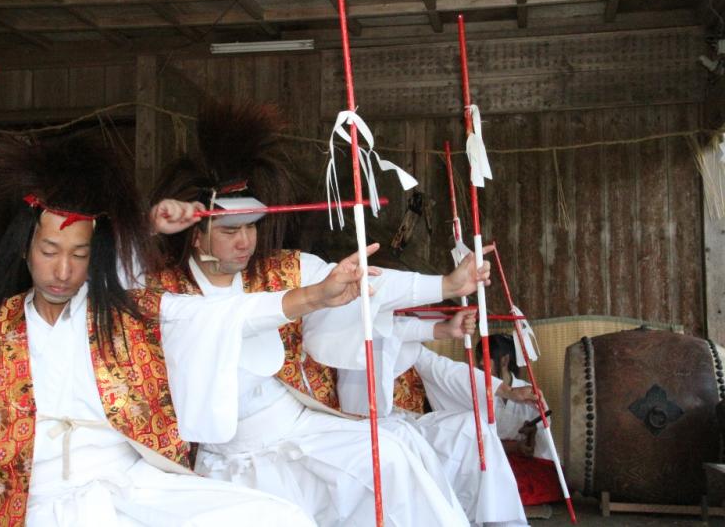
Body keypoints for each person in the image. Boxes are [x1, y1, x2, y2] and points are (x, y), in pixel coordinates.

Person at [0, 134, 373, 527]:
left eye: (79, 254)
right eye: (49, 250)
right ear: (25, 250)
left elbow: (224, 315)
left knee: (279, 518)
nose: (63, 270)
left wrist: (314, 296)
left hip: (131, 486)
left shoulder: (121, 315)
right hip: (34, 499)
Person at [147, 100, 496, 526]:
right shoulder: (158, 289)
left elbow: (362, 280)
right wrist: (152, 225)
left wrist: (444, 285)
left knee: (389, 458)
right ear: (196, 237)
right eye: (229, 230)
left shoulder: (282, 269)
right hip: (229, 454)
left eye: (252, 227)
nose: (245, 242)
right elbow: (108, 271)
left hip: (297, 424)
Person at [337, 312, 536, 527]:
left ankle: (497, 519)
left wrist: (507, 391)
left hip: (404, 419)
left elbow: (447, 371)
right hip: (356, 421)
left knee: (473, 425)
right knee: (403, 440)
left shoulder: (410, 346)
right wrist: (443, 327)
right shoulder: (352, 332)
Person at [477, 334, 563, 509]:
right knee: (485, 484)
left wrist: (532, 434)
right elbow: (476, 438)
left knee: (541, 484)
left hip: (524, 462)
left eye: (485, 358)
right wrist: (511, 447)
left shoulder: (527, 391)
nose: (479, 364)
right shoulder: (477, 391)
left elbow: (543, 438)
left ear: (504, 360)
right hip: (493, 458)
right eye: (479, 359)